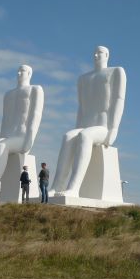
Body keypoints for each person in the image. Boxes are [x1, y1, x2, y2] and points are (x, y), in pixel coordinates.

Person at [51, 46, 126, 197]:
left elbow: (119, 100)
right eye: (95, 53)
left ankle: (74, 188)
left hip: (103, 127)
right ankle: (57, 187)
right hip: (86, 125)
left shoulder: (116, 71)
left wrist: (114, 129)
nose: (96, 55)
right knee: (68, 136)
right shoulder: (83, 78)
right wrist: (76, 129)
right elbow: (81, 107)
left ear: (107, 55)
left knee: (85, 136)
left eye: (100, 52)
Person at [0, 65, 44, 197]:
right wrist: (1, 137)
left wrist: (29, 140)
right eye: (18, 70)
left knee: (1, 146)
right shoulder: (9, 94)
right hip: (9, 136)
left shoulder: (35, 89)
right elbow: (5, 119)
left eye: (22, 71)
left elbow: (35, 115)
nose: (18, 73)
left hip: (22, 137)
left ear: (29, 73)